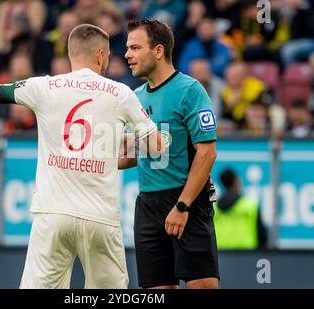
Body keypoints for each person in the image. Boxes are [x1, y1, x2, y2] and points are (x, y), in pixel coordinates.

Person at [0, 24, 165, 289]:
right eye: (106, 55)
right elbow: (155, 147)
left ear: (72, 54)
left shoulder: (45, 87)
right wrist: (119, 143)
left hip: (53, 215)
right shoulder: (121, 93)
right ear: (99, 56)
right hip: (100, 219)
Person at [123, 18, 219, 289]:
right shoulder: (135, 97)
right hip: (147, 205)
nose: (127, 55)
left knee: (202, 286)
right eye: (127, 48)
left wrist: (182, 206)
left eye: (134, 47)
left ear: (158, 50)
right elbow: (137, 154)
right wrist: (92, 159)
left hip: (184, 200)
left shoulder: (190, 90)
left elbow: (207, 153)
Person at [214, 168, 267, 249]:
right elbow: (262, 237)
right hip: (246, 256)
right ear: (236, 181)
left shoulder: (213, 209)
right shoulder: (250, 206)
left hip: (221, 255)